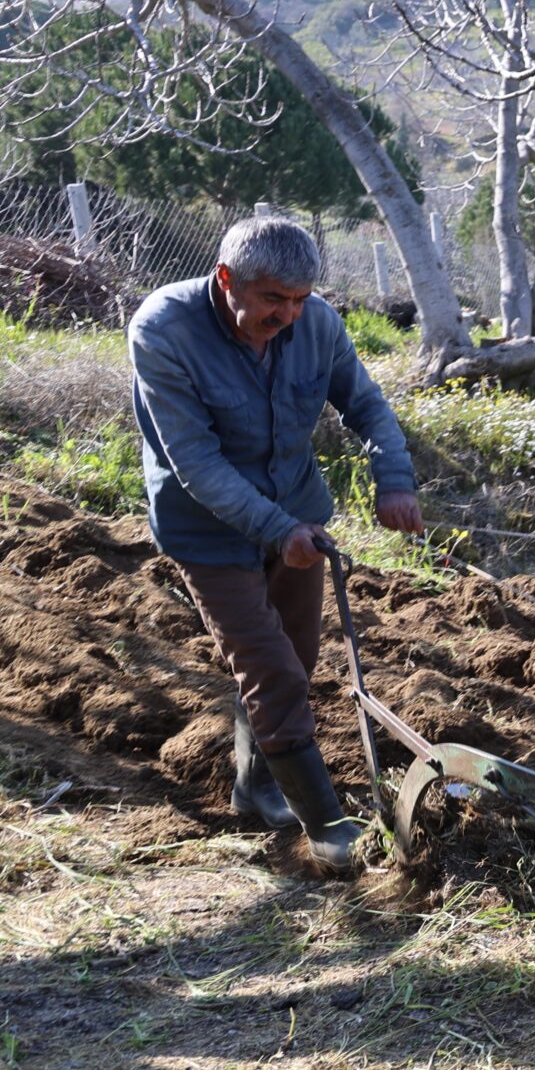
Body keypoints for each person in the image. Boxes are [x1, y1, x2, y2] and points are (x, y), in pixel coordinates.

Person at [129, 215, 424, 874]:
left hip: (296, 513)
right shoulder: (163, 329)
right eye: (272, 299)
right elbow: (196, 463)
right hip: (207, 527)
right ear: (226, 278)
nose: (288, 314)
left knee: (296, 654)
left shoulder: (316, 322)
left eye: (298, 299)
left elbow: (366, 405)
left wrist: (394, 481)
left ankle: (257, 784)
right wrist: (276, 529)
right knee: (273, 670)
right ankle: (327, 829)